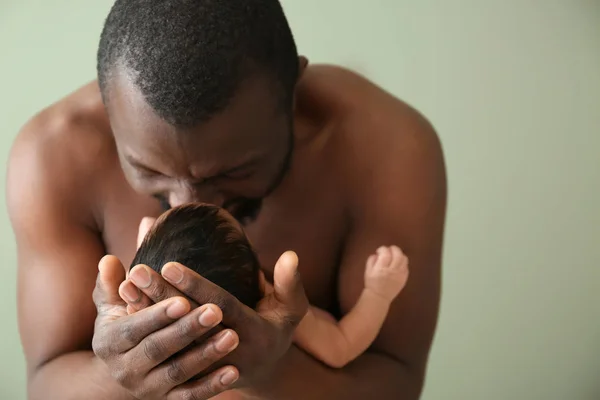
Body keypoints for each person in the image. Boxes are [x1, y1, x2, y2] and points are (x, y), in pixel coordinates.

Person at [7, 0, 446, 399]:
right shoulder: (53, 156)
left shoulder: (384, 147)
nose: (190, 203)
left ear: (289, 96)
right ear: (108, 107)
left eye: (234, 171)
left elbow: (396, 382)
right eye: (152, 171)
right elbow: (46, 383)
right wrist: (127, 364)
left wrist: (266, 368)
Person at [131, 203, 410, 369]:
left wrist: (156, 245)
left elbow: (147, 228)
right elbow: (341, 347)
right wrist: (379, 292)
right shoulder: (276, 308)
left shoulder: (154, 317)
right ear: (259, 281)